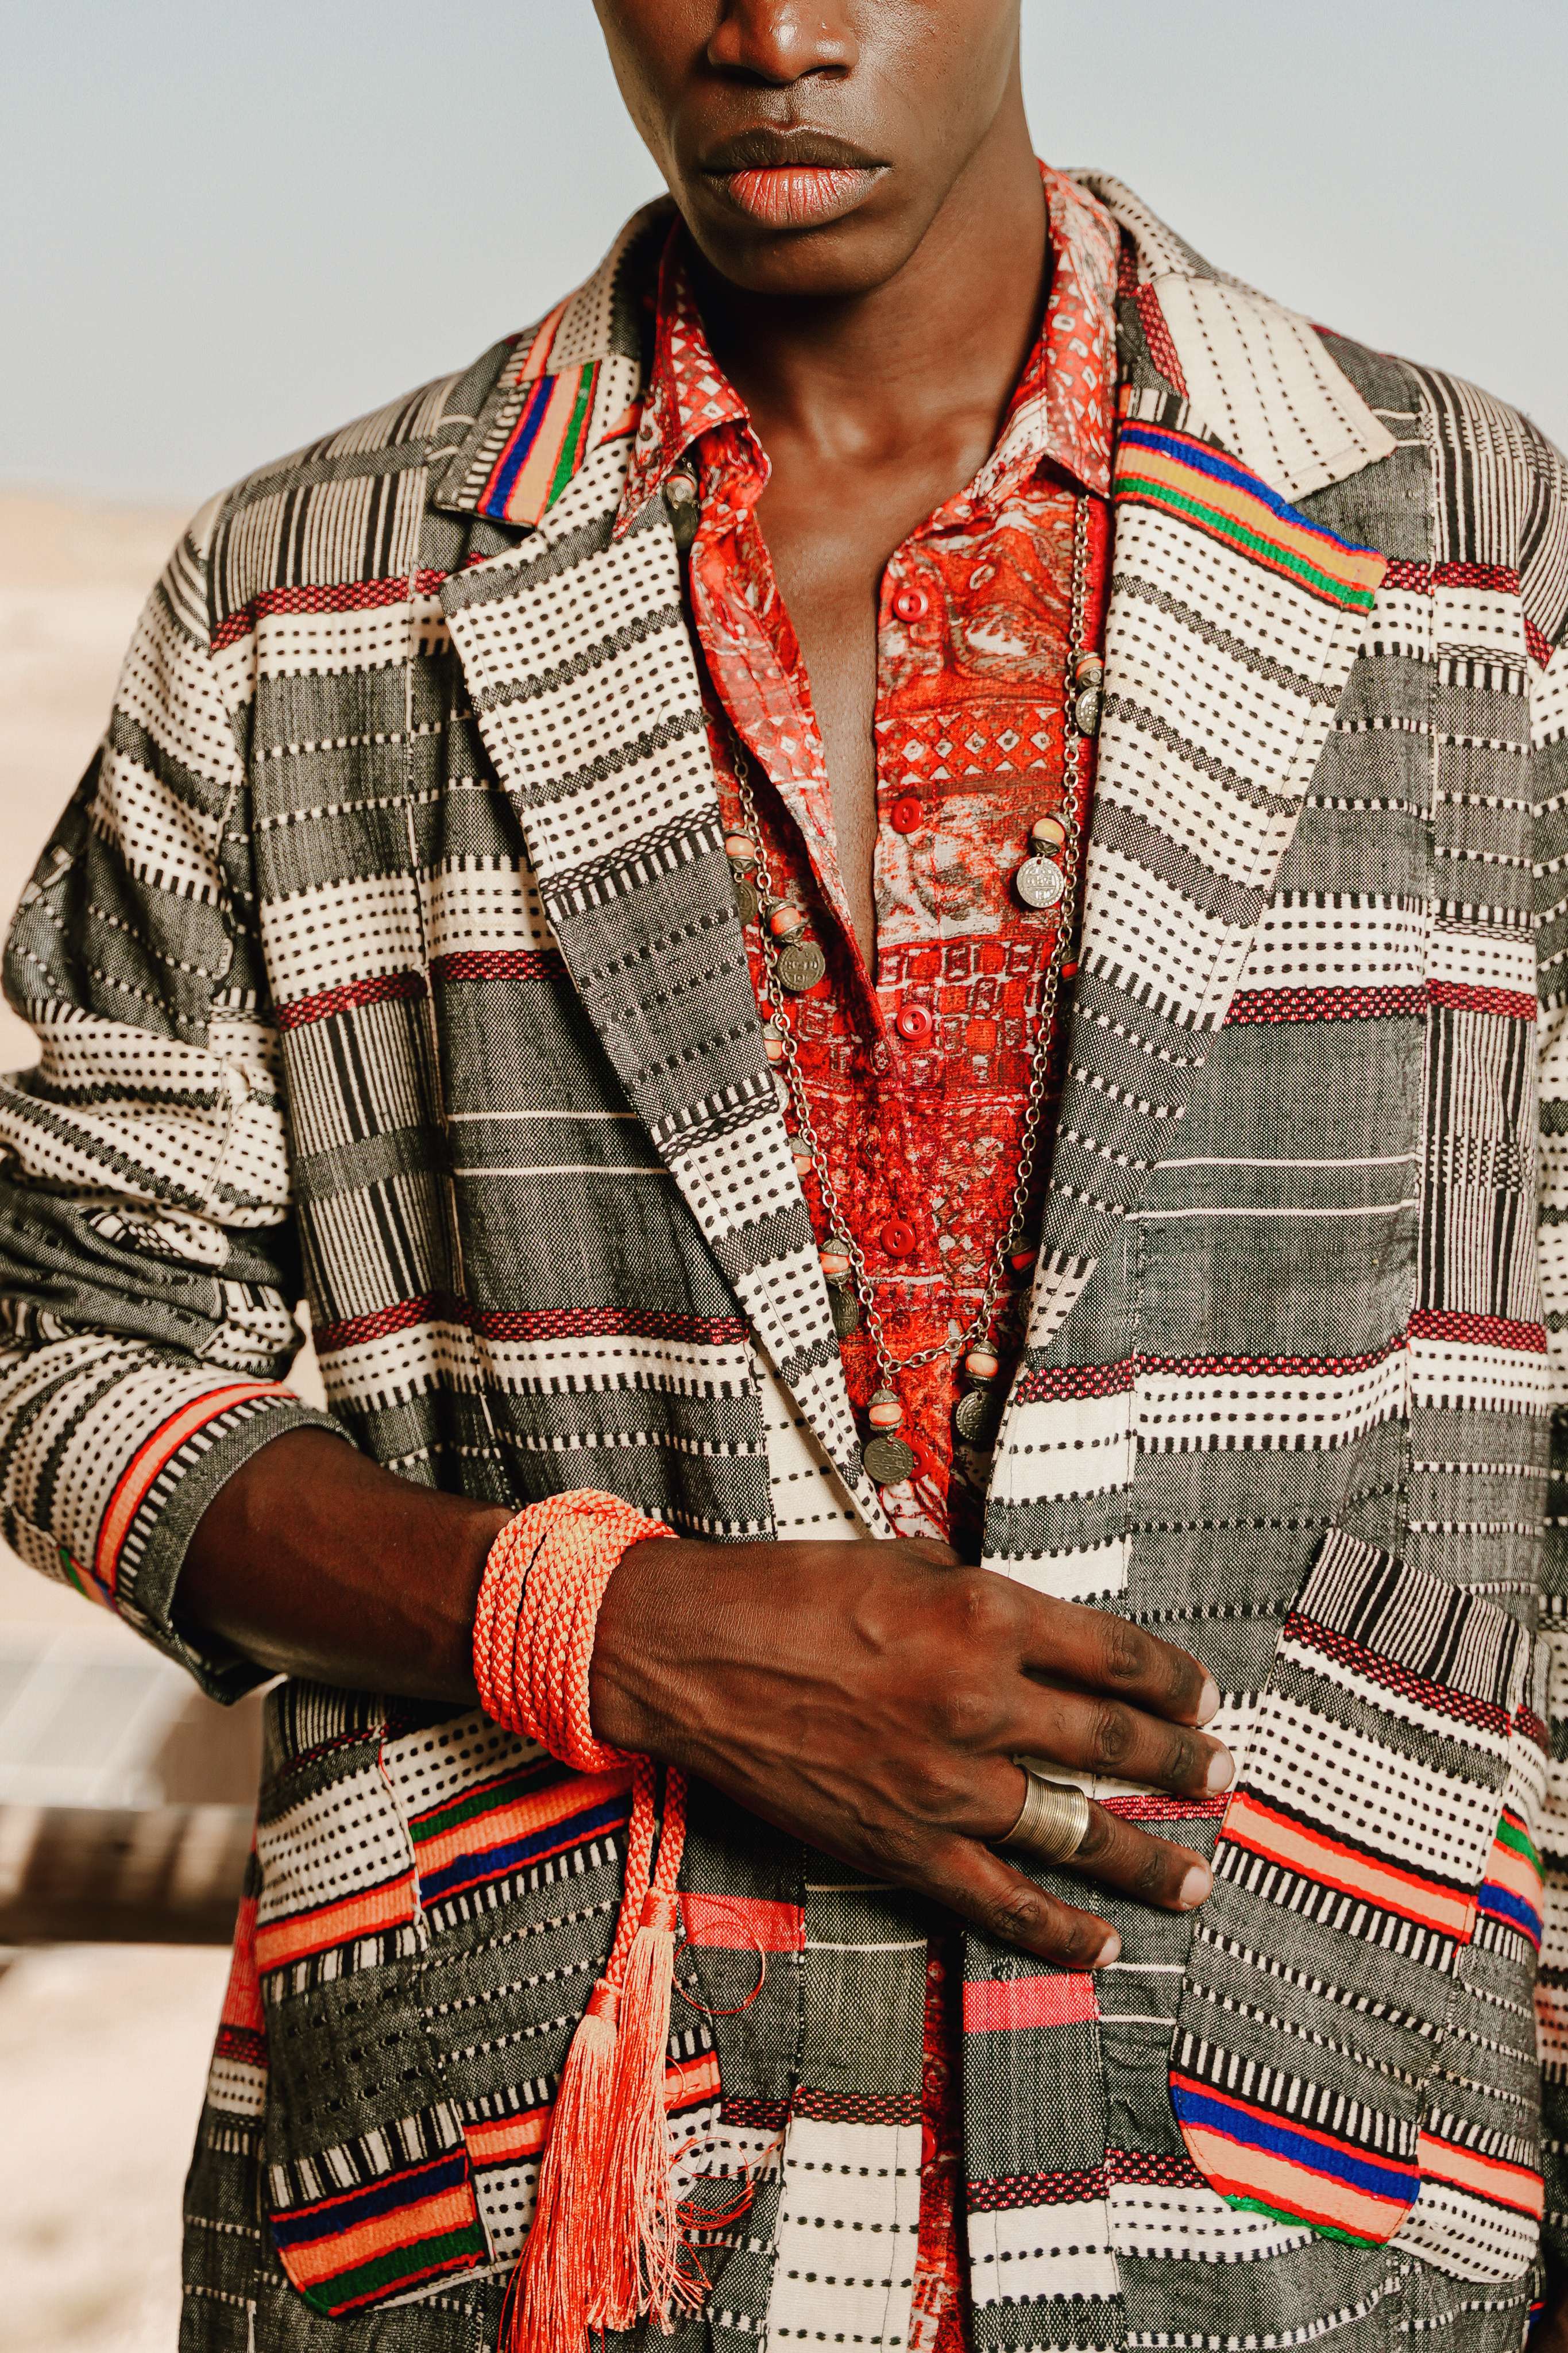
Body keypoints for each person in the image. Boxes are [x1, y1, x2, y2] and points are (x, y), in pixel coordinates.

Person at [2, 3, 1565, 2347]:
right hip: (551, 2205)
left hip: (1299, 2192)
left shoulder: (1458, 551)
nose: (773, 31)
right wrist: (603, 1631)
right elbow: (61, 1336)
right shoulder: (303, 598)